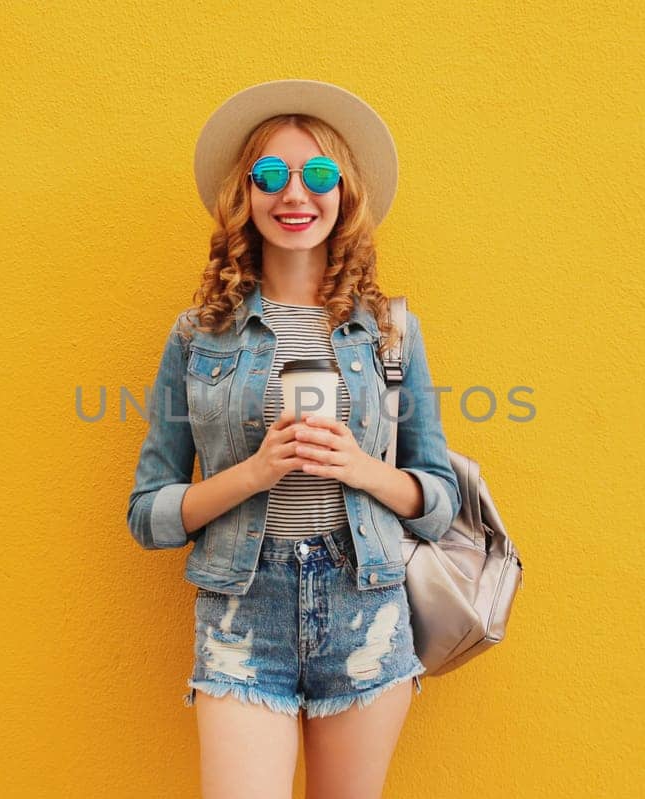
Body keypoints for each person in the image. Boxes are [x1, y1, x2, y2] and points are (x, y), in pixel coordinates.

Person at [126, 79, 461, 799]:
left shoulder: (392, 330)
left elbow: (438, 501)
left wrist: (361, 468)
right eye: (271, 175)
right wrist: (254, 471)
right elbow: (147, 513)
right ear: (244, 195)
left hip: (363, 601)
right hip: (243, 610)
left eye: (317, 174)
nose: (294, 194)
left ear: (344, 192)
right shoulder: (198, 335)